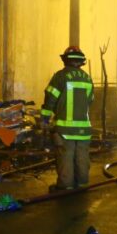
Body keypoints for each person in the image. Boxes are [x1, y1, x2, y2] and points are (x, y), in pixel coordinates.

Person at [41, 46, 94, 192]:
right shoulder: (88, 78)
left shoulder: (60, 76)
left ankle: (66, 186)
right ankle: (82, 184)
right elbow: (90, 101)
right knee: (82, 157)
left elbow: (50, 99)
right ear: (81, 61)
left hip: (65, 130)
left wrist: (44, 119)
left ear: (66, 60)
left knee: (65, 157)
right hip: (84, 129)